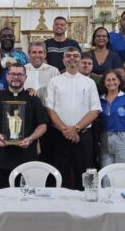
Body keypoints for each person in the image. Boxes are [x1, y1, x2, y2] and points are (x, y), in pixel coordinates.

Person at [0, 63, 49, 189]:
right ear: (7, 76)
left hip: (27, 156)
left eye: (20, 74)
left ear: (25, 77)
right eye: (12, 74)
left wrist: (30, 138)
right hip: (2, 157)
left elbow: (43, 126)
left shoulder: (33, 99)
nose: (16, 77)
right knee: (2, 197)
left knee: (27, 197)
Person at [45, 47, 101, 190]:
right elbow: (49, 109)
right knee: (59, 176)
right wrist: (66, 130)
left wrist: (75, 129)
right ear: (63, 60)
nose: (72, 58)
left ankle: (85, 210)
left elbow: (94, 111)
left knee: (83, 177)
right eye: (68, 56)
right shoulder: (54, 81)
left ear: (80, 59)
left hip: (83, 137)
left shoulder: (89, 83)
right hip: (59, 136)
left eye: (75, 56)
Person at [97, 70, 125, 166]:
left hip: (123, 139)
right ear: (104, 83)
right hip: (105, 139)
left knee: (123, 174)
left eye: (114, 79)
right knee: (106, 176)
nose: (111, 82)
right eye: (108, 80)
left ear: (119, 81)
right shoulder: (100, 100)